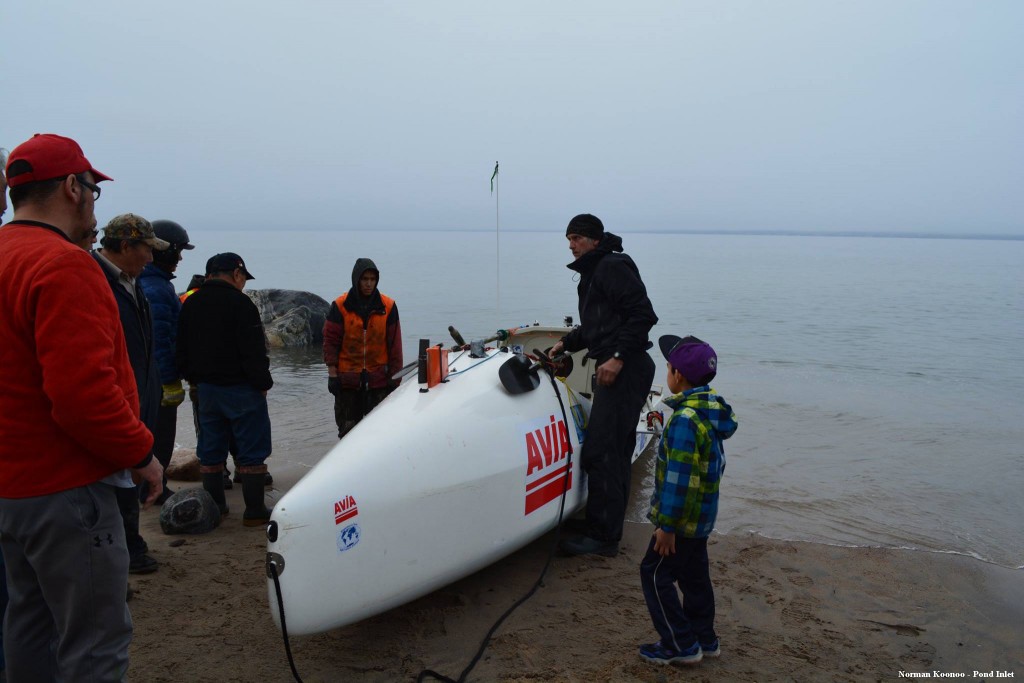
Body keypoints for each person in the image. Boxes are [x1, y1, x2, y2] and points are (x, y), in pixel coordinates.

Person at [0, 133, 162, 681]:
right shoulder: (66, 266)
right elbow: (82, 399)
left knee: (29, 624)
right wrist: (143, 451)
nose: (95, 198)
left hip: (11, 490)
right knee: (94, 640)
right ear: (73, 187)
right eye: (93, 187)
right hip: (67, 491)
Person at [549, 213, 659, 557]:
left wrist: (616, 357)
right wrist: (566, 343)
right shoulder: (595, 272)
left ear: (595, 240)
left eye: (577, 238)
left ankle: (603, 538)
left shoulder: (611, 267)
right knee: (611, 447)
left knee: (605, 450)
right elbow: (598, 325)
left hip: (626, 368)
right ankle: (600, 522)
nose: (571, 245)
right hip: (618, 365)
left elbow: (643, 315)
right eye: (568, 239)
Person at [638, 335, 737, 665]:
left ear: (677, 375)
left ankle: (680, 644)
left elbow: (681, 480)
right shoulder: (707, 412)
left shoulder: (684, 421)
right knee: (695, 578)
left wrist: (667, 526)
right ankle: (705, 639)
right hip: (702, 519)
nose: (667, 372)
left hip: (679, 522)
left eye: (668, 366)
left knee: (654, 574)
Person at [93, 213, 171, 576]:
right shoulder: (95, 281)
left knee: (131, 478)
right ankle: (127, 550)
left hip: (142, 392)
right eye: (146, 250)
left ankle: (129, 544)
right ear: (125, 246)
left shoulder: (132, 282)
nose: (151, 259)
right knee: (117, 480)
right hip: (119, 401)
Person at [177, 253, 274, 526]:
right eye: (243, 277)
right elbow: (254, 350)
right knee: (252, 449)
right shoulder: (242, 304)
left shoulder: (191, 303)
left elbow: (181, 348)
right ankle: (254, 511)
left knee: (210, 449)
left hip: (206, 389)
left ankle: (216, 507)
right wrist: (262, 383)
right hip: (242, 388)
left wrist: (192, 378)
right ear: (236, 273)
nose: (243, 282)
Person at [138, 220, 195, 503]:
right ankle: (154, 488)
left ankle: (149, 486)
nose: (181, 258)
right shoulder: (156, 290)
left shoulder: (151, 282)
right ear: (164, 250)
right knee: (159, 435)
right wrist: (170, 380)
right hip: (157, 380)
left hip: (150, 378)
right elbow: (159, 341)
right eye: (178, 251)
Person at [323, 258, 403, 438]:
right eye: (364, 279)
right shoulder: (340, 306)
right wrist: (332, 374)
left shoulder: (388, 307)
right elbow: (330, 342)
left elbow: (395, 346)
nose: (368, 283)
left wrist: (395, 380)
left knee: (380, 436)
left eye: (372, 279)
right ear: (356, 279)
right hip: (347, 384)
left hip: (378, 383)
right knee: (348, 435)